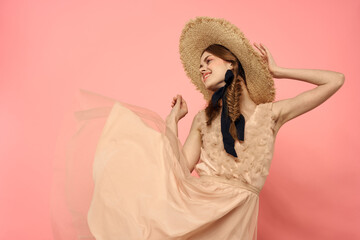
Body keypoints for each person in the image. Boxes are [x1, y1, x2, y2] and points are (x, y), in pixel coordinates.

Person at [51, 16, 344, 240]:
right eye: (201, 64)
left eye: (208, 61)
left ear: (232, 65)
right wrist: (171, 122)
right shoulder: (202, 120)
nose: (202, 68)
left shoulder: (271, 115)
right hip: (199, 209)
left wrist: (279, 71)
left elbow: (335, 80)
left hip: (239, 214)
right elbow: (179, 168)